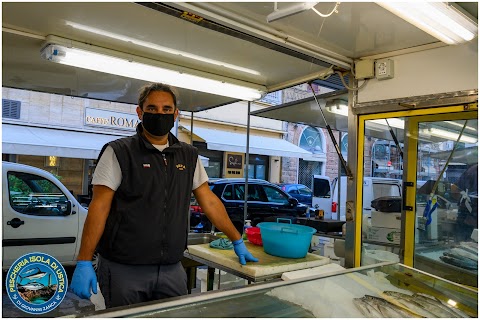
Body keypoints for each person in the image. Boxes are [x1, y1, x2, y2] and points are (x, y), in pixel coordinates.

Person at [70, 83, 258, 308]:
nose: (160, 114)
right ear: (140, 112)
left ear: (176, 114)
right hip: (124, 269)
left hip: (171, 269)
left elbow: (208, 200)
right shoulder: (119, 152)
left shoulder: (188, 155)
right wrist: (83, 261)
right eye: (152, 108)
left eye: (167, 109)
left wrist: (236, 238)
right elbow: (99, 207)